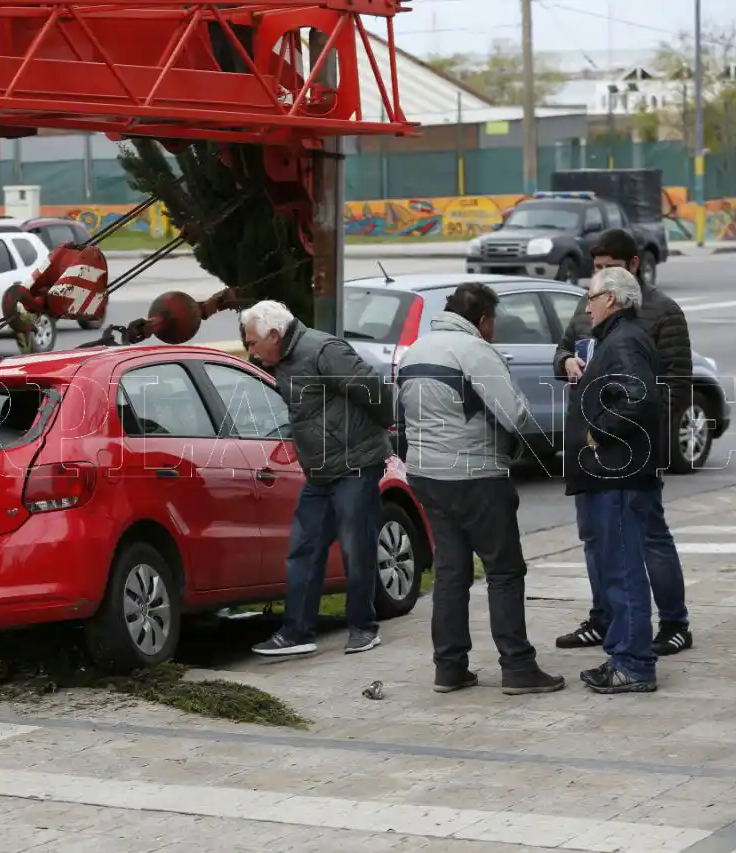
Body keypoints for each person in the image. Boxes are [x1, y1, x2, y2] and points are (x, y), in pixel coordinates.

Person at [395, 282, 565, 694]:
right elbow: (516, 414)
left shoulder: (416, 350)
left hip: (426, 476)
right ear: (483, 320)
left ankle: (449, 667)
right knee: (504, 570)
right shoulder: (475, 351)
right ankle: (518, 667)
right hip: (476, 477)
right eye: (494, 323)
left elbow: (401, 415)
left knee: (452, 574)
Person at [552, 228, 693, 658]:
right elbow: (561, 352)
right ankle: (604, 617)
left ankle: (673, 623)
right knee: (597, 538)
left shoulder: (661, 313)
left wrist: (632, 435)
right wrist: (567, 362)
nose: (599, 277)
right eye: (595, 269)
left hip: (631, 452)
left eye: (608, 268)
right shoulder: (588, 305)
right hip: (591, 455)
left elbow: (674, 387)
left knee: (647, 538)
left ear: (633, 266)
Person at [241, 299, 397, 657]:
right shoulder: (279, 360)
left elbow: (374, 391)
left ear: (275, 335)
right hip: (320, 471)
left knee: (356, 547)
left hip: (355, 463)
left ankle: (362, 627)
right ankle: (297, 632)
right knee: (304, 549)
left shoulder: (323, 350)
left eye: (252, 342)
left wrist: (376, 433)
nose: (250, 350)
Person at [564, 266, 663, 694]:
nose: (586, 305)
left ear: (613, 298)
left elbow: (641, 396)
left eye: (591, 296)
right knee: (615, 567)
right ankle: (623, 654)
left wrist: (598, 431)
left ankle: (634, 663)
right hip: (607, 473)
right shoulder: (615, 337)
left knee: (623, 569)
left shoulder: (625, 339)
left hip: (618, 472)